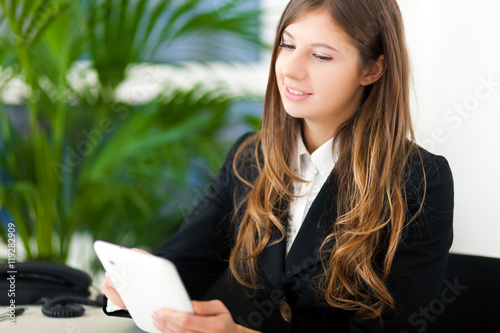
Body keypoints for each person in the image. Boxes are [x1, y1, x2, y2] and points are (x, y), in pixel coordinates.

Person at [101, 0, 454, 332]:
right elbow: (182, 266)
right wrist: (134, 282)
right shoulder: (249, 158)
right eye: (287, 45)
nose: (290, 69)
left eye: (320, 56)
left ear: (372, 69)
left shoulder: (420, 180)